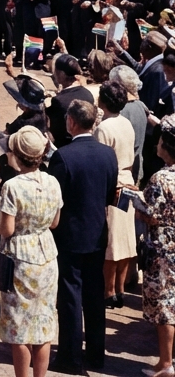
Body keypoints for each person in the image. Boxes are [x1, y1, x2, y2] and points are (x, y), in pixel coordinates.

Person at [48, 98, 119, 374]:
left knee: (70, 298)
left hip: (70, 237)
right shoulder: (108, 154)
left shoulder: (63, 156)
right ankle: (95, 356)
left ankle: (70, 356)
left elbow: (57, 199)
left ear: (72, 122)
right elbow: (109, 191)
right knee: (94, 296)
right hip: (97, 233)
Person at [0, 125, 63, 377]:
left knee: (19, 328)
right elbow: (55, 222)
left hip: (21, 257)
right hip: (47, 253)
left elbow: (7, 229)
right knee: (43, 325)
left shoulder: (12, 186)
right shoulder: (53, 182)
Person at [135, 115, 175, 377]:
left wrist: (137, 204)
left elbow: (151, 214)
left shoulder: (160, 179)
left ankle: (165, 363)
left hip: (162, 249)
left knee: (164, 308)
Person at [94, 79, 138, 307]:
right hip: (128, 181)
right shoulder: (126, 123)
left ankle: (109, 290)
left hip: (113, 186)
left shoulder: (104, 128)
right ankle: (119, 288)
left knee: (111, 242)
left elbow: (101, 161)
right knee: (126, 240)